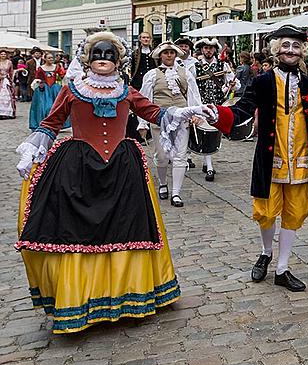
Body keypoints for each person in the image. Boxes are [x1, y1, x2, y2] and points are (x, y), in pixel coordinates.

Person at [14, 31, 211, 334]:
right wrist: (33, 149)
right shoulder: (73, 90)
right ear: (88, 60)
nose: (103, 61)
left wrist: (183, 112)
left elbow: (153, 112)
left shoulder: (126, 90)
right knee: (77, 233)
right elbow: (52, 122)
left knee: (128, 227)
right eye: (97, 56)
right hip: (79, 169)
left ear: (119, 61)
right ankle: (82, 300)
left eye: (109, 56)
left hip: (122, 167)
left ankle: (126, 298)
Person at [207, 25, 308, 292]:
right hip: (270, 158)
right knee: (266, 213)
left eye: (296, 47)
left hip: (302, 159)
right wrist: (217, 115)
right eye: (285, 46)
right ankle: (265, 252)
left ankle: (282, 268)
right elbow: (242, 110)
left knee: (294, 213)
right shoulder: (262, 81)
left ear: (302, 52)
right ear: (276, 50)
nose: (291, 51)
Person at [137, 42, 202, 207]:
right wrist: (143, 123)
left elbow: (193, 96)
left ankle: (176, 193)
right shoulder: (152, 75)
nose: (169, 55)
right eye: (165, 52)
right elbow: (145, 100)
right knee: (162, 156)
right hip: (160, 120)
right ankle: (163, 183)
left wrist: (195, 113)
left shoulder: (185, 74)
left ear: (176, 55)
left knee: (180, 156)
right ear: (160, 55)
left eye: (171, 53)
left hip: (181, 120)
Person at [194, 37, 237, 181]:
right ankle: (209, 167)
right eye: (206, 48)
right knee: (206, 134)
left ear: (215, 50)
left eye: (211, 48)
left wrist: (231, 84)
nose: (208, 51)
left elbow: (236, 85)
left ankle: (207, 163)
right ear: (201, 50)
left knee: (213, 134)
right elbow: (191, 87)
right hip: (202, 105)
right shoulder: (195, 66)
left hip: (218, 105)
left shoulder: (223, 66)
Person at [29, 52, 68, 132]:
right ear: (45, 59)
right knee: (45, 107)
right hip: (44, 89)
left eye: (52, 58)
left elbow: (62, 75)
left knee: (56, 106)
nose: (51, 59)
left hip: (55, 88)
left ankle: (57, 124)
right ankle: (44, 123)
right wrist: (39, 83)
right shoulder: (41, 68)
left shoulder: (56, 67)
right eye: (49, 58)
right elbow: (37, 78)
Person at [0, 49, 17, 119]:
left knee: (8, 96)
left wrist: (12, 81)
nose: (3, 55)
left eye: (4, 54)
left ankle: (8, 113)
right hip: (0, 80)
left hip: (7, 80)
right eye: (1, 54)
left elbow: (11, 72)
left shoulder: (9, 62)